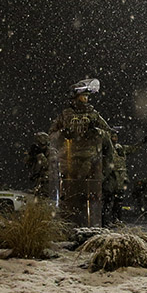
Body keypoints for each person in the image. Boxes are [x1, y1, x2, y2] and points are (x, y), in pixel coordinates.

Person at [49, 78, 111, 226]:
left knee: (90, 198)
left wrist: (96, 132)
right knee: (70, 198)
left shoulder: (93, 114)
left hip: (91, 164)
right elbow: (51, 135)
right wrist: (63, 133)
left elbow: (108, 133)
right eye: (84, 96)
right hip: (69, 163)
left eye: (87, 97)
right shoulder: (65, 115)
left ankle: (90, 227)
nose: (86, 99)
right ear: (76, 97)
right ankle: (69, 226)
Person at [25, 131, 51, 197]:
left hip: (46, 184)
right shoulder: (36, 151)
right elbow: (28, 164)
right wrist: (31, 156)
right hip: (38, 182)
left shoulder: (51, 152)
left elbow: (49, 167)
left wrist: (40, 156)